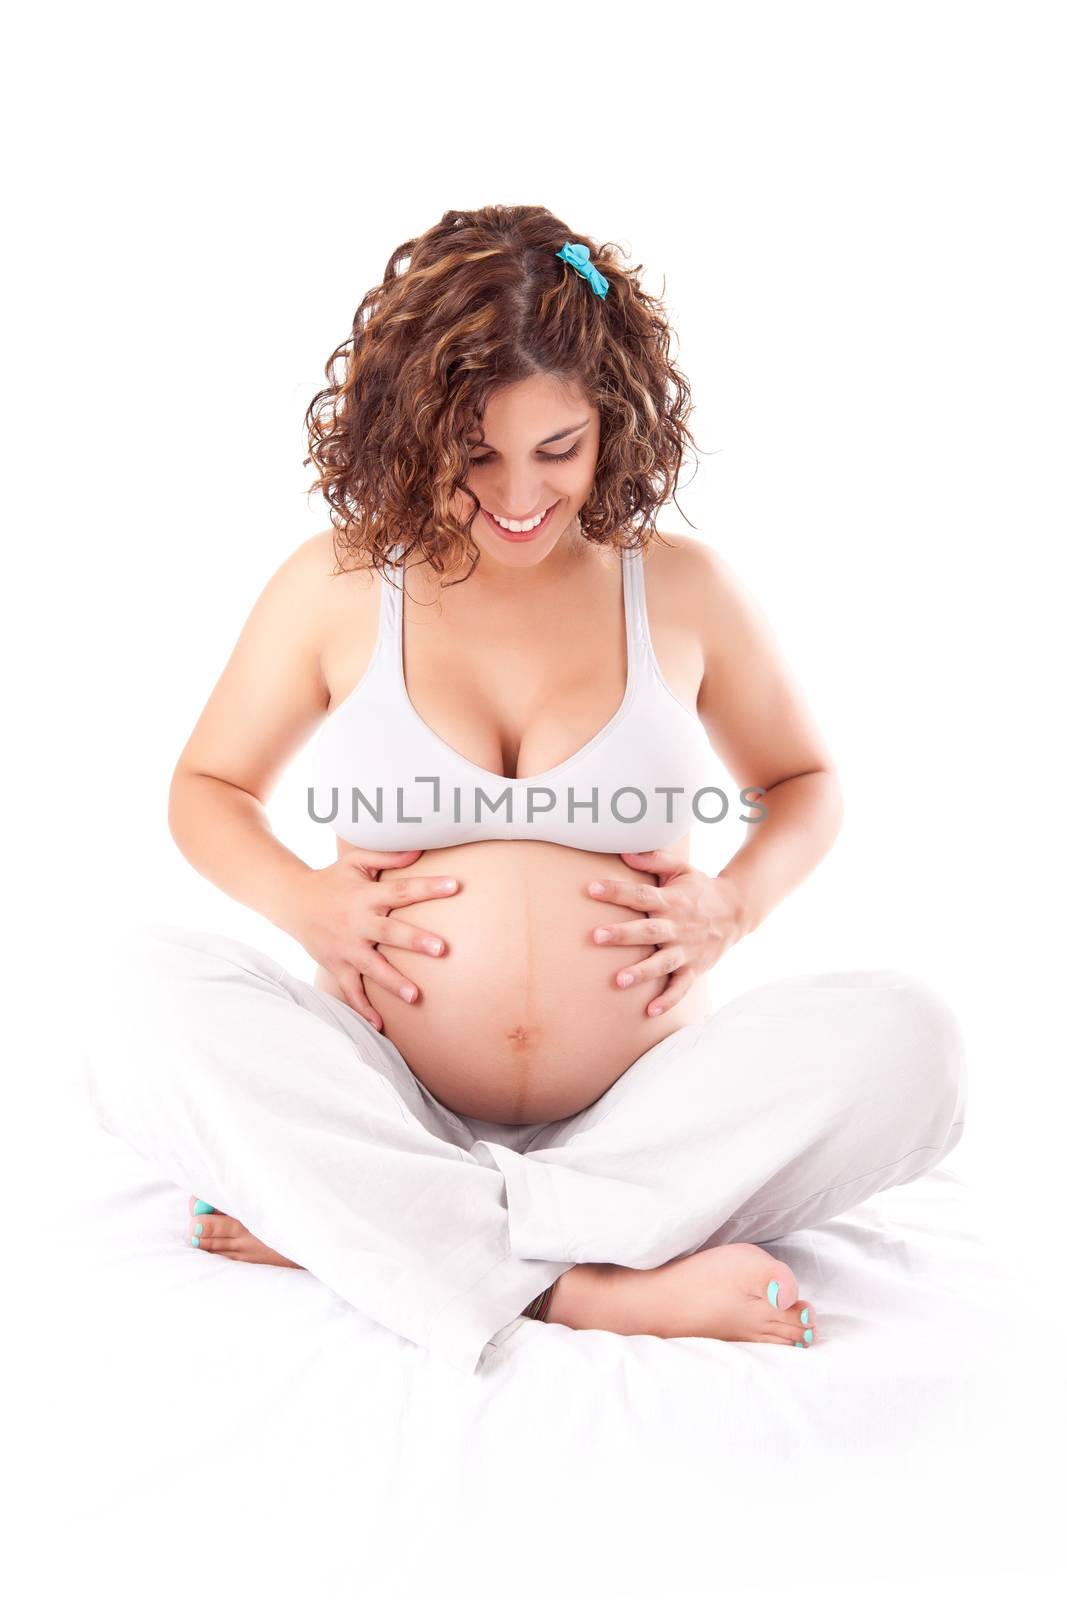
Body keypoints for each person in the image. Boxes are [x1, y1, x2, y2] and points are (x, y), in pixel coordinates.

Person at [81, 205, 967, 1375]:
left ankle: (364, 1229)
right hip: (380, 1088)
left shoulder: (682, 589)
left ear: (616, 422)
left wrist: (734, 904)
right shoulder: (341, 585)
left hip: (649, 1112)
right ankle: (576, 1286)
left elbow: (803, 783)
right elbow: (207, 787)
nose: (516, 495)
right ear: (409, 428)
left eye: (558, 450)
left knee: (913, 1042)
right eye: (475, 453)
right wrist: (304, 903)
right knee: (139, 995)